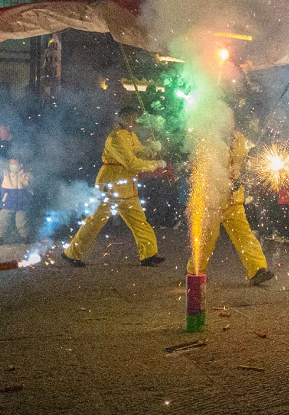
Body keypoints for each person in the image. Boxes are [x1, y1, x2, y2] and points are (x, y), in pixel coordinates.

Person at [62, 106, 168, 267]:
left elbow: (138, 153)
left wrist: (150, 149)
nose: (135, 122)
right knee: (94, 221)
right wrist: (156, 164)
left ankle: (149, 254)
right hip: (110, 185)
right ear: (123, 119)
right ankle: (71, 254)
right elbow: (131, 163)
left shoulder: (130, 135)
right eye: (132, 119)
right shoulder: (116, 138)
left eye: (135, 119)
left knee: (139, 221)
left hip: (127, 186)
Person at [187, 125, 275, 285]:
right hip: (212, 200)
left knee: (244, 235)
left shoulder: (239, 138)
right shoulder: (208, 141)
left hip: (234, 199)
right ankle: (195, 271)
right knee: (208, 238)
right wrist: (226, 179)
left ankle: (257, 269)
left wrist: (248, 164)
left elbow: (245, 161)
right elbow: (204, 169)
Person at [0, 159, 32, 244]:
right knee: (3, 219)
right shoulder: (5, 173)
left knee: (22, 220)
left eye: (15, 164)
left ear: (20, 165)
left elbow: (30, 183)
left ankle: (25, 237)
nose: (13, 166)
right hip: (8, 199)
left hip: (21, 200)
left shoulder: (26, 174)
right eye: (11, 164)